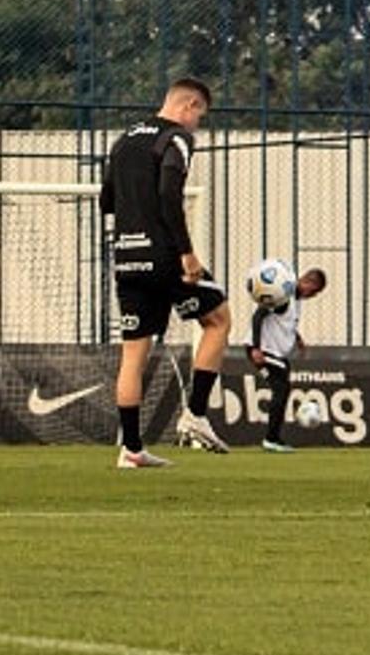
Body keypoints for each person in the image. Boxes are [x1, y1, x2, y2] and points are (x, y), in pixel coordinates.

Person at [101, 76, 232, 468]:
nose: (197, 125)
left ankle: (132, 450)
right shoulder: (175, 139)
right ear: (188, 106)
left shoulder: (123, 141)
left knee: (133, 355)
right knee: (219, 319)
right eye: (200, 117)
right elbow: (168, 194)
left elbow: (107, 200)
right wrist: (187, 254)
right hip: (163, 256)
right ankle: (195, 415)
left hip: (126, 256)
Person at [249, 268, 328, 453]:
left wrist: (297, 338)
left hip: (272, 352)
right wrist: (255, 347)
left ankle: (273, 438)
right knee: (281, 387)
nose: (313, 296)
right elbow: (258, 315)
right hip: (263, 350)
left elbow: (284, 321)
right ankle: (271, 439)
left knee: (282, 386)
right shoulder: (284, 296)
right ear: (308, 282)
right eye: (314, 291)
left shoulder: (295, 300)